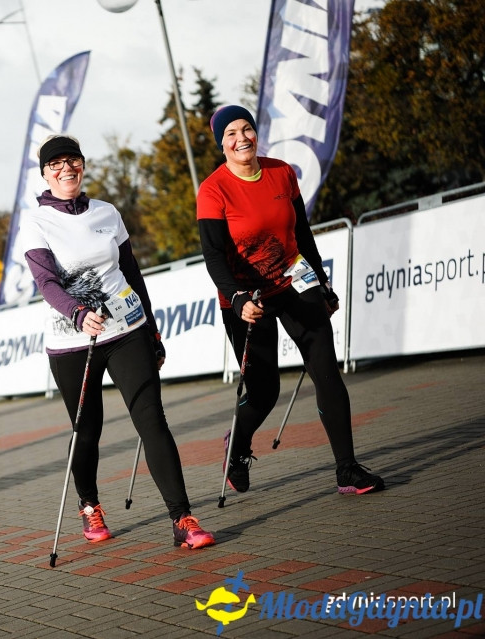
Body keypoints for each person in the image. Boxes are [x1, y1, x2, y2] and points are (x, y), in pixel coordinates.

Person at [20, 134, 215, 549]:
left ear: (83, 165)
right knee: (87, 430)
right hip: (73, 341)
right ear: (45, 174)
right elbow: (46, 282)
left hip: (127, 329)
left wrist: (153, 331)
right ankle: (89, 504)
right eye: (56, 164)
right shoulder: (36, 221)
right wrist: (77, 313)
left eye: (73, 161)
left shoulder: (107, 212)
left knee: (152, 421)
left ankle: (182, 518)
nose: (66, 169)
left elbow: (132, 273)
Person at [197, 104, 384, 496]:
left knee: (326, 371)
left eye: (246, 129)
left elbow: (302, 233)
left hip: (294, 280)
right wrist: (237, 298)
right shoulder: (213, 190)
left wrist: (323, 284)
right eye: (231, 133)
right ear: (221, 144)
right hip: (247, 298)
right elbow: (213, 256)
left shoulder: (281, 171)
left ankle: (347, 470)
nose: (241, 138)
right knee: (264, 392)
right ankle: (237, 447)